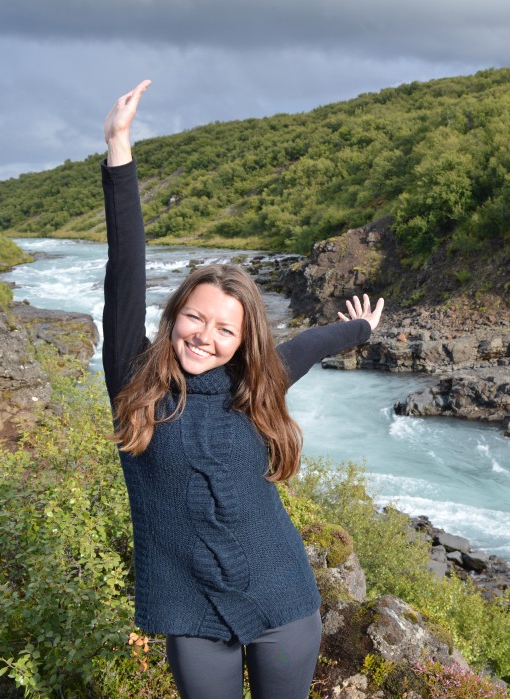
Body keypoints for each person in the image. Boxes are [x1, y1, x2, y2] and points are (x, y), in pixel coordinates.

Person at [101, 79, 383, 699]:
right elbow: (125, 269)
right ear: (174, 314)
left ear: (243, 337)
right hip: (190, 609)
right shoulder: (134, 381)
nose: (205, 336)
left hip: (282, 597)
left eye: (225, 328)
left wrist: (360, 327)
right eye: (194, 318)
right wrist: (119, 152)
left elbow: (310, 346)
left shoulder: (255, 383)